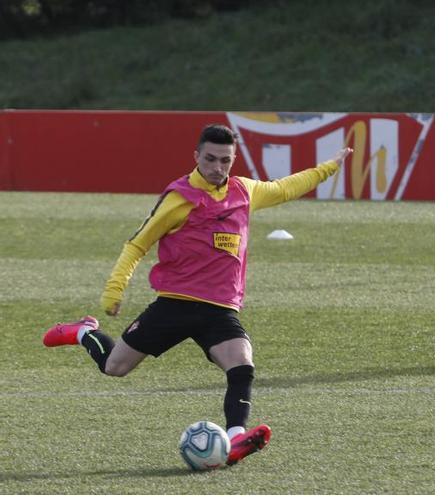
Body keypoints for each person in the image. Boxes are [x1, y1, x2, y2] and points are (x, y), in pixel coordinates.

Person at [43, 123, 352, 465]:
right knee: (115, 367)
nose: (218, 168)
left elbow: (283, 188)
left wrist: (330, 167)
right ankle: (85, 331)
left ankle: (235, 438)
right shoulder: (178, 199)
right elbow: (137, 245)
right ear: (196, 157)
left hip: (220, 309)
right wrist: (114, 291)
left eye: (225, 160)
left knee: (242, 364)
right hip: (174, 304)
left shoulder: (244, 191)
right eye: (210, 159)